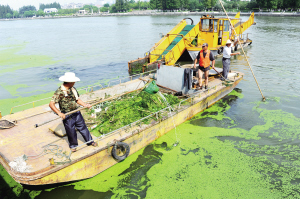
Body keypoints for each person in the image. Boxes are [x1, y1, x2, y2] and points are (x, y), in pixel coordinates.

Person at [49, 72, 98, 152]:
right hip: (67, 115)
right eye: (74, 81)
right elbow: (51, 104)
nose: (75, 83)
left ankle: (90, 141)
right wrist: (59, 113)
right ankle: (73, 145)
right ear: (70, 82)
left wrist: (85, 105)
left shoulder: (73, 89)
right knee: (71, 131)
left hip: (76, 111)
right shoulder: (59, 92)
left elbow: (77, 100)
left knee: (83, 128)